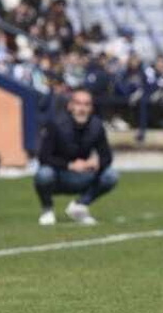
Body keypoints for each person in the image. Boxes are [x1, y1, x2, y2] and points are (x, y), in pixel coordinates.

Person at [34, 89, 117, 227]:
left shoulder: (96, 126)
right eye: (78, 104)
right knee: (43, 174)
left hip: (83, 175)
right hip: (58, 176)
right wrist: (70, 165)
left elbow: (107, 156)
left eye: (86, 104)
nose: (82, 108)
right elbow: (44, 157)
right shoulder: (56, 124)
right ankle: (47, 209)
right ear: (70, 106)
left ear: (91, 108)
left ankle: (79, 206)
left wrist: (94, 162)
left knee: (111, 175)